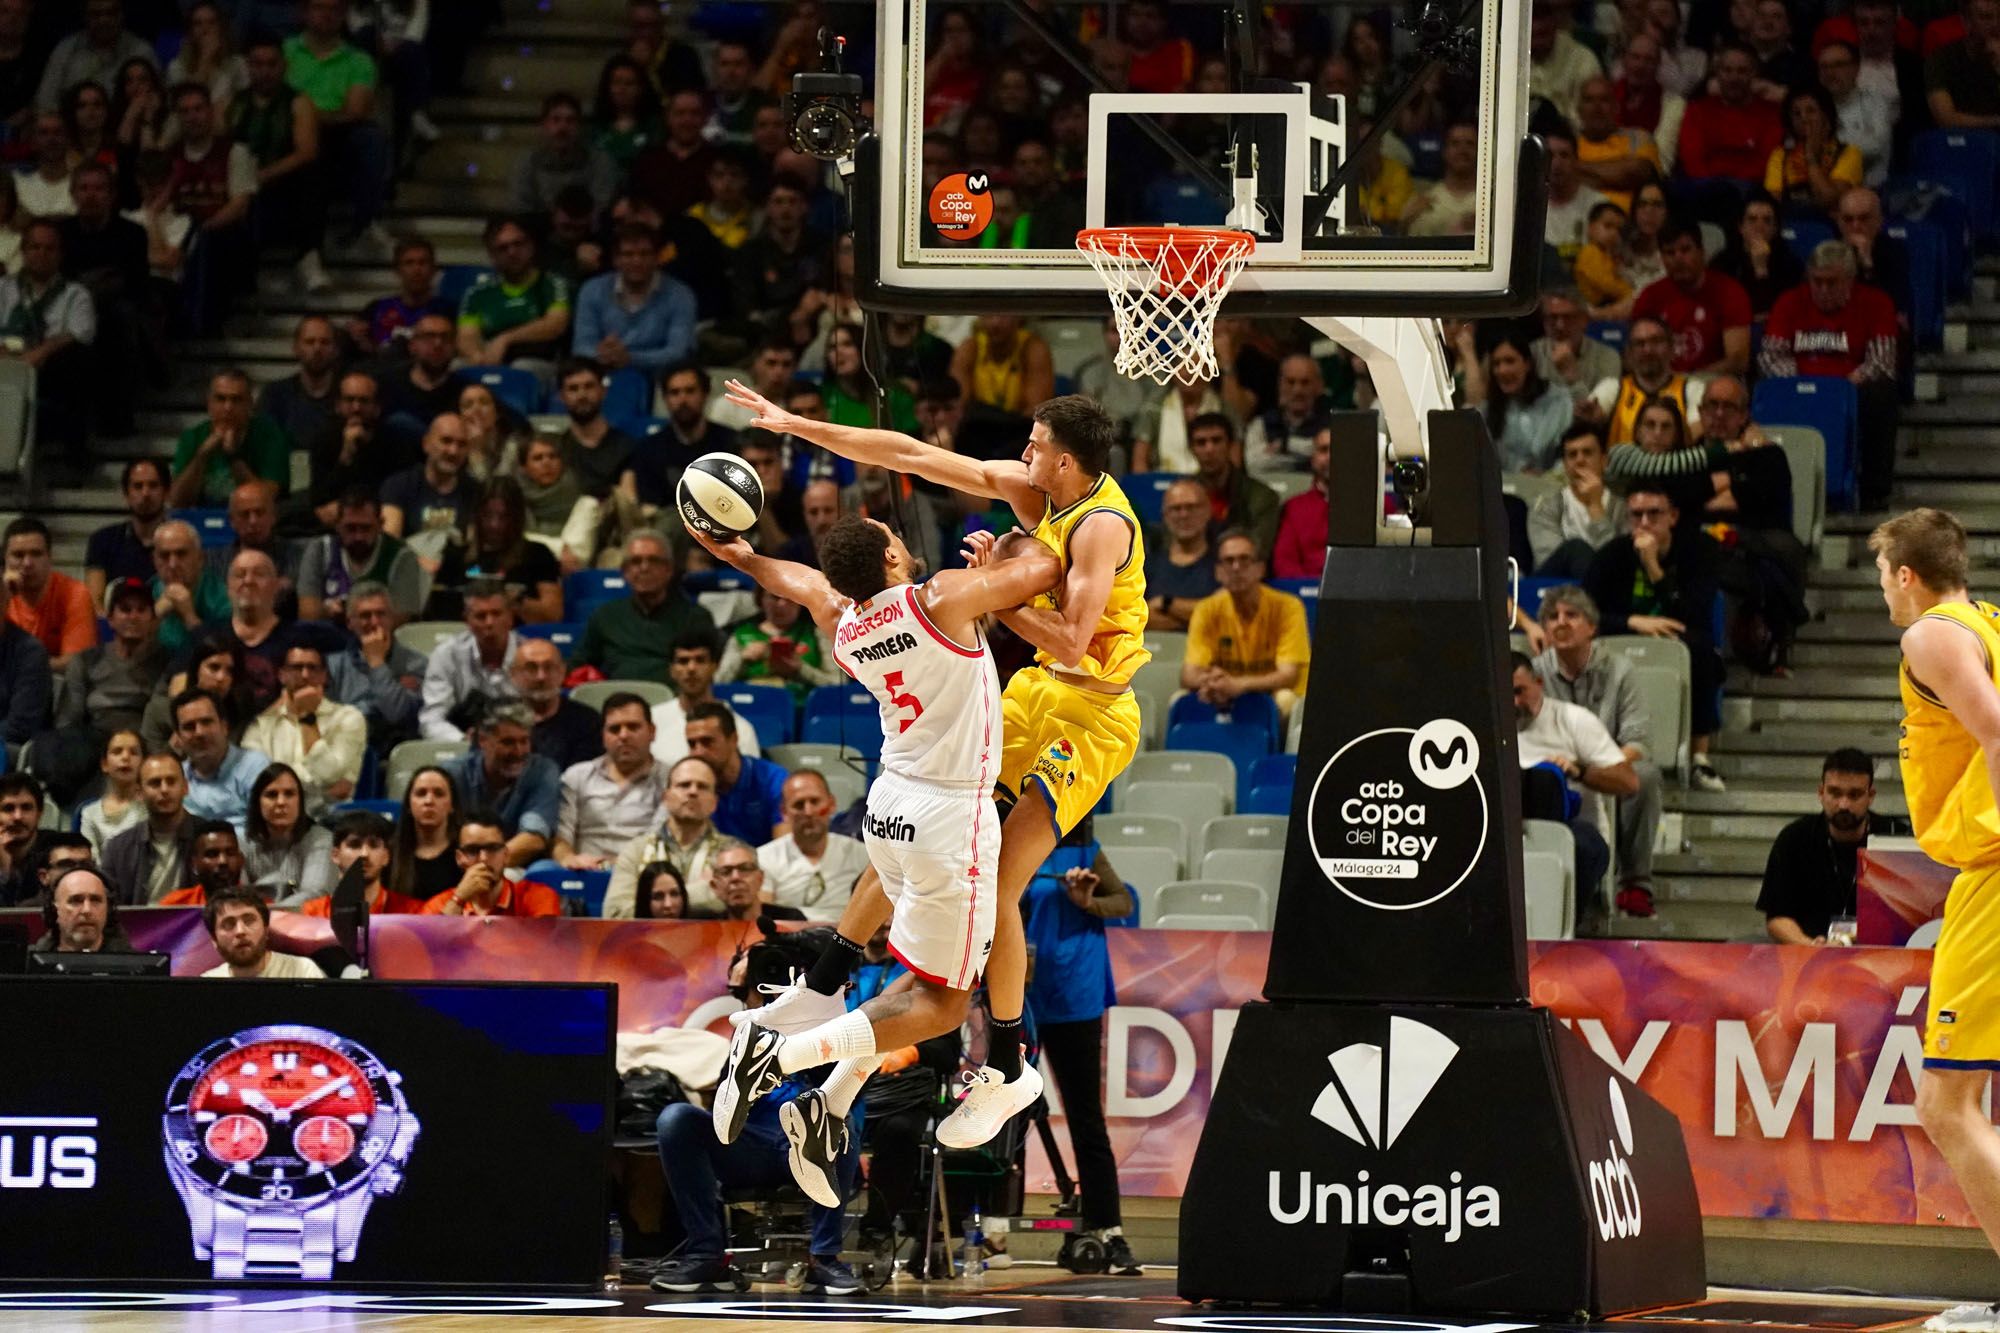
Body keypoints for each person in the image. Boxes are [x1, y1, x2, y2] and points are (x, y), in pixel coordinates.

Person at [720, 382, 1144, 1151]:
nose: (1023, 452)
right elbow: (912, 453)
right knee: (934, 862)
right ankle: (833, 1058)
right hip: (1030, 694)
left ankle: (1008, 1067)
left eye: (1036, 443)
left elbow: (1076, 641)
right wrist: (798, 424)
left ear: (1068, 460)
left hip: (1093, 708)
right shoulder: (1030, 496)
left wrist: (994, 598)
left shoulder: (1101, 527)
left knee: (1003, 881)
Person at [689, 506, 1062, 1184]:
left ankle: (817, 1039)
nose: (899, 537)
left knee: (915, 972)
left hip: (891, 806)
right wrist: (998, 556)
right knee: (943, 1003)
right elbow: (1046, 568)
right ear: (891, 561)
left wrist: (740, 556)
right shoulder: (943, 597)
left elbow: (797, 579)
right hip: (951, 814)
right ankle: (781, 1053)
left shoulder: (843, 620)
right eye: (893, 538)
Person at [1867, 510, 2000, 1327]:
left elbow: (1993, 728)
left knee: (1945, 1103)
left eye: (1883, 571)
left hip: (1994, 868)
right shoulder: (1988, 620)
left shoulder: (1930, 636)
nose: (1881, 587)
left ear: (1905, 574)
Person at [1021, 841, 1140, 1271]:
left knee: (1085, 1118)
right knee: (1003, 1111)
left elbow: (1123, 901)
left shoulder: (1086, 850)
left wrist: (1087, 902)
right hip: (1021, 993)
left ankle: (1109, 1229)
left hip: (1076, 992)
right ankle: (990, 1231)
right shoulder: (1012, 842)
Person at [1584, 484, 1727, 790]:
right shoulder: (1611, 555)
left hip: (1679, 636)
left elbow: (1695, 614)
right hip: (1624, 633)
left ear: (1673, 516)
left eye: (1654, 514)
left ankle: (1700, 758)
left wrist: (1653, 567)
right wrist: (1633, 621)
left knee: (1700, 649)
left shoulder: (1699, 551)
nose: (1645, 522)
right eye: (1637, 515)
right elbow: (1585, 614)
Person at [1535, 585, 1666, 917]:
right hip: (1552, 769)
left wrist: (1600, 770)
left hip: (1608, 765)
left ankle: (1636, 883)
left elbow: (1637, 741)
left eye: (1571, 615)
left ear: (1592, 627)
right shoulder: (1534, 674)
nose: (1560, 623)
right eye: (1552, 617)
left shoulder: (1620, 671)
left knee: (1646, 776)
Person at [1760, 240, 1901, 511]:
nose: (1823, 290)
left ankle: (1874, 490)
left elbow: (1882, 363)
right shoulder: (1790, 301)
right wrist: (1802, 385)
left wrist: (1839, 389)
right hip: (1797, 386)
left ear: (1850, 279)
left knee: (1883, 393)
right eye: (1817, 281)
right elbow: (1771, 356)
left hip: (1851, 389)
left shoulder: (1876, 303)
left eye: (1832, 283)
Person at [1510, 651, 1638, 919]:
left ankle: (1564, 929)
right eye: (1505, 694)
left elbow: (1629, 782)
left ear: (1539, 684)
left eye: (1520, 691)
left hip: (1570, 828)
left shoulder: (1573, 720)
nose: (1514, 702)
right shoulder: (1485, 728)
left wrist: (1578, 771)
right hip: (1507, 830)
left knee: (1584, 849)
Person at [284, 0, 389, 254]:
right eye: (319, 7)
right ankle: (308, 253)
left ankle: (364, 222)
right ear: (304, 12)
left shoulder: (359, 60)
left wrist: (310, 115)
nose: (327, 15)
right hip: (289, 134)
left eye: (335, 9)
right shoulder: (283, 52)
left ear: (343, 15)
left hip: (340, 135)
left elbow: (356, 111)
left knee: (371, 138)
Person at [1756, 748, 1890, 944]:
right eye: (1835, 793)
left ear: (1870, 796)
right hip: (1809, 954)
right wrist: (1809, 946)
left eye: (1854, 795)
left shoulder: (1894, 837)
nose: (1843, 804)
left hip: (1883, 958)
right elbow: (1777, 917)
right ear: (1821, 792)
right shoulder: (1794, 839)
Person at [230, 32, 328, 294]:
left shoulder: (298, 102)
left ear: (283, 66)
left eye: (271, 64)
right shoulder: (234, 102)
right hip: (239, 185)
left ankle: (308, 256)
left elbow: (306, 152)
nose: (264, 71)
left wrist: (261, 176)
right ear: (248, 66)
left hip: (281, 185)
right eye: (258, 64)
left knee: (312, 174)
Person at [1182, 531, 1311, 721]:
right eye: (1229, 561)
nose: (1236, 568)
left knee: (1286, 700)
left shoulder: (1289, 607)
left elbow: (1288, 676)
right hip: (1225, 691)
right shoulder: (1206, 610)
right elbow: (1188, 676)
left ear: (1260, 568)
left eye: (1244, 560)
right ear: (1218, 572)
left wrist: (1239, 685)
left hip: (1273, 694)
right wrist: (1214, 682)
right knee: (1179, 699)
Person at [0, 220, 95, 451]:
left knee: (76, 360)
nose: (42, 254)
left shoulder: (75, 294)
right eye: (35, 247)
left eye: (49, 248)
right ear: (23, 251)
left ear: (60, 254)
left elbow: (80, 333)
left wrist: (38, 354)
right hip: (4, 364)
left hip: (49, 373)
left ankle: (74, 458)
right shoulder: (3, 288)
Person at [575, 532, 718, 684]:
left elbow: (707, 672)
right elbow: (579, 665)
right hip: (618, 701)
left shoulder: (695, 617)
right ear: (625, 571)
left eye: (654, 561)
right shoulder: (605, 616)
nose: (644, 568)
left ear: (669, 570)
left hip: (674, 701)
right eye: (636, 561)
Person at [240, 641, 365, 815]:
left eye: (313, 668)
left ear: (324, 676)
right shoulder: (262, 725)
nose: (305, 675)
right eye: (297, 668)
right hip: (273, 817)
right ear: (282, 675)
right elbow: (254, 782)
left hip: (330, 819)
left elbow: (328, 775)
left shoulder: (348, 718)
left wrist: (307, 717)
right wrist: (320, 792)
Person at [552, 692, 670, 869]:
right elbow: (561, 836)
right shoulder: (577, 776)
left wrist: (615, 866)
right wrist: (569, 859)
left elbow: (658, 841)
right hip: (583, 873)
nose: (623, 735)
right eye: (614, 729)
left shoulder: (672, 779)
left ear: (652, 732)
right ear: (603, 737)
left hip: (641, 874)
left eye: (633, 727)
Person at [427, 477, 564, 623]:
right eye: (488, 515)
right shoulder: (455, 555)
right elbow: (437, 610)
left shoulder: (538, 554)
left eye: (504, 516)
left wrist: (515, 601)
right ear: (477, 514)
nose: (495, 524)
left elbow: (553, 614)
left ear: (517, 518)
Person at [443, 700, 559, 867]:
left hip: (514, 869)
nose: (519, 752)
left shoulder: (543, 772)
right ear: (483, 740)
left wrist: (481, 869)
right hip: (455, 866)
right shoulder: (453, 775)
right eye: (508, 742)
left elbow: (534, 838)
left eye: (524, 741)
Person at [571, 221, 696, 375]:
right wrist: (604, 355)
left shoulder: (680, 295)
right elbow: (581, 346)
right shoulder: (592, 290)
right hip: (603, 375)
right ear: (615, 259)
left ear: (657, 257)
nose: (637, 261)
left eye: (644, 254)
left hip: (661, 379)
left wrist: (630, 358)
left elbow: (678, 352)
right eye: (628, 254)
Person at [606, 754, 727, 913]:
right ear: (665, 797)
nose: (693, 792)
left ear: (714, 802)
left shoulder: (732, 853)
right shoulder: (635, 852)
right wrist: (697, 893)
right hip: (647, 938)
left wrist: (652, 899)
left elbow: (736, 908)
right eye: (684, 785)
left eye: (702, 786)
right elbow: (615, 913)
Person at [1630, 220, 1752, 377]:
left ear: (1702, 252)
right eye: (1670, 253)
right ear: (1662, 258)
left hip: (1712, 384)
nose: (1678, 259)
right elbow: (1633, 354)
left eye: (1685, 250)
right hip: (1660, 386)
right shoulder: (1650, 296)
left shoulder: (1730, 291)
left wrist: (1688, 383)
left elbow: (1737, 361)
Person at [1455, 328, 1576, 474]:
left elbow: (1571, 448)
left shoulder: (1559, 401)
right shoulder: (1488, 411)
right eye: (1496, 364)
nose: (1502, 370)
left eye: (1509, 361)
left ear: (1527, 364)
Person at [457, 215, 572, 367]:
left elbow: (555, 324)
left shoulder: (552, 284)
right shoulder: (477, 293)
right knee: (457, 367)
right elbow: (466, 336)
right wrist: (477, 357)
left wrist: (505, 339)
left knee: (522, 366)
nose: (512, 252)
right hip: (490, 360)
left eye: (518, 244)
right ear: (492, 255)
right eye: (503, 248)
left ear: (531, 246)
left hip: (540, 363)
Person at [326, 579, 426, 750]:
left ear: (392, 618)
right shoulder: (332, 666)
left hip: (397, 752)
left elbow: (397, 714)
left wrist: (376, 662)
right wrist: (392, 689)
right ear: (350, 622)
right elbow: (330, 724)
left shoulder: (417, 664)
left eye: (381, 614)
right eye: (365, 616)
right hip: (348, 752)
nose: (374, 622)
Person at [297, 489, 425, 623]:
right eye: (350, 528)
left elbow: (402, 618)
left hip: (381, 638)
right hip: (327, 637)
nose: (358, 536)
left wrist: (349, 613)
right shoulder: (320, 550)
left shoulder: (401, 555)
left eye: (366, 528)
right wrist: (328, 611)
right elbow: (307, 614)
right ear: (337, 525)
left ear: (381, 525)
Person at [756, 771, 868, 921]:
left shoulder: (861, 854)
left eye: (815, 802)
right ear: (784, 812)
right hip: (788, 939)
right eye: (798, 805)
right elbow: (762, 919)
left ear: (832, 804)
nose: (808, 812)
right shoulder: (764, 858)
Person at [169, 368, 289, 507]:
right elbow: (177, 501)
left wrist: (233, 457)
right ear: (209, 403)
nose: (228, 407)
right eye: (220, 399)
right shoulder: (192, 437)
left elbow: (265, 500)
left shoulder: (271, 437)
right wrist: (201, 457)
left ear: (250, 403)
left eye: (236, 400)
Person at [420, 578, 521, 741]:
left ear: (510, 616)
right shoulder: (446, 655)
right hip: (466, 743)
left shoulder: (531, 654)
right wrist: (462, 740)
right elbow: (431, 719)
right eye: (481, 616)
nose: (489, 623)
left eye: (496, 614)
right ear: (467, 619)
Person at [647, 628, 762, 766]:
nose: (691, 668)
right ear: (672, 670)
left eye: (700, 660)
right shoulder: (650, 721)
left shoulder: (740, 728)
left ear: (715, 666)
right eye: (683, 661)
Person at [423, 809, 563, 916]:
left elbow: (546, 948)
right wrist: (459, 899)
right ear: (460, 858)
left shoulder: (537, 897)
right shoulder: (439, 905)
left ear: (506, 855)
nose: (483, 858)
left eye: (492, 849)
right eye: (473, 850)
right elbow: (429, 948)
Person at [101, 751, 197, 904]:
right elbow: (109, 908)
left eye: (171, 781)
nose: (164, 789)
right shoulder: (117, 849)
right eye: (155, 783)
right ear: (139, 793)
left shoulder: (208, 838)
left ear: (185, 787)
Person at [685, 701, 788, 844]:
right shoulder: (690, 787)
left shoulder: (773, 780)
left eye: (707, 742)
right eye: (692, 744)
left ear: (733, 739)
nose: (698, 752)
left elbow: (783, 849)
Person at [1530, 425, 1625, 577]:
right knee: (1576, 549)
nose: (1579, 461)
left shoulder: (1623, 508)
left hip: (1606, 589)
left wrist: (1595, 507)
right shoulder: (1545, 505)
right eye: (1572, 455)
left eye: (1587, 453)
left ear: (1604, 460)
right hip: (1556, 589)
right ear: (1565, 464)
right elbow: (1550, 558)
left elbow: (1618, 564)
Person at [1591, 317, 1701, 446]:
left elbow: (1697, 433)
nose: (1648, 350)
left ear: (1672, 348)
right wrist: (1592, 421)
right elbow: (1591, 418)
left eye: (1656, 341)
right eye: (1639, 343)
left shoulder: (1692, 389)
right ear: (1629, 353)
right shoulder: (1612, 388)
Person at [175, 687, 271, 830]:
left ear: (224, 727)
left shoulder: (254, 766)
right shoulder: (175, 778)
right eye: (189, 727)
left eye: (206, 722)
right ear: (178, 738)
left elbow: (268, 830)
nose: (199, 733)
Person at [511, 91, 617, 220]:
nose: (563, 127)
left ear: (579, 126)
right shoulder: (528, 162)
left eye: (570, 120)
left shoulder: (600, 161)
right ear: (544, 125)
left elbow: (600, 207)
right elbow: (522, 209)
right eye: (556, 120)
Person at [4, 517, 94, 667]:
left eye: (36, 554)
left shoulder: (75, 593)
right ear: (5, 559)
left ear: (50, 557)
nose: (27, 563)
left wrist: (19, 667)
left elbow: (77, 663)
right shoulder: (2, 594)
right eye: (18, 555)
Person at [239, 761, 335, 904]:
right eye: (272, 795)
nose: (281, 802)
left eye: (289, 794)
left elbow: (316, 894)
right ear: (257, 803)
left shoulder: (321, 840)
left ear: (300, 801)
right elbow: (238, 896)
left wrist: (269, 914)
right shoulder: (243, 843)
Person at [300, 808, 425, 916]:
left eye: (374, 845)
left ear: (386, 856)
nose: (364, 854)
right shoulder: (313, 913)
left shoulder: (413, 912)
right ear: (335, 855)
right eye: (354, 845)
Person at [722, 587, 836, 703]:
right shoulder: (741, 635)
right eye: (774, 597)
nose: (781, 604)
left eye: (790, 598)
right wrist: (742, 658)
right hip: (750, 707)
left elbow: (836, 683)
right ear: (760, 599)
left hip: (803, 709)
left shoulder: (817, 634)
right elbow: (719, 681)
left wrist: (800, 669)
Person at [1764, 85, 1864, 216]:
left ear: (1826, 116)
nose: (1804, 118)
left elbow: (1829, 200)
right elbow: (1773, 205)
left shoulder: (1849, 153)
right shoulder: (1780, 156)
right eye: (1796, 113)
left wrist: (1811, 156)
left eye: (1811, 111)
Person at [381, 412, 477, 543]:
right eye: (446, 441)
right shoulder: (399, 485)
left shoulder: (474, 491)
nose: (453, 451)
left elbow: (474, 550)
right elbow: (389, 544)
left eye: (462, 444)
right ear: (426, 444)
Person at [513, 634, 601, 772]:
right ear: (513, 674)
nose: (541, 676)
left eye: (549, 667)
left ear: (562, 672)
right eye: (531, 668)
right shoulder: (496, 721)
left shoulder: (588, 721)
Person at [1711, 191, 1803, 321]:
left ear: (1775, 228)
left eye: (1767, 220)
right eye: (1752, 219)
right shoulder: (1722, 263)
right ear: (1740, 227)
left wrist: (1761, 270)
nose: (1759, 227)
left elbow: (1779, 313)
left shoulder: (1791, 266)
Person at [86, 457, 169, 602]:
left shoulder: (182, 542)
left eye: (153, 485)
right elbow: (95, 603)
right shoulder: (102, 540)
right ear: (126, 494)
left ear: (166, 492)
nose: (145, 493)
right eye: (138, 486)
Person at [257, 314, 340, 458]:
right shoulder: (275, 394)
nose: (317, 348)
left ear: (335, 349)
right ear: (296, 348)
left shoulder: (348, 396)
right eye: (309, 342)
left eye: (325, 342)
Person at [202, 885, 325, 977]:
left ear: (266, 930)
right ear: (214, 939)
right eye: (229, 924)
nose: (240, 931)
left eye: (249, 921)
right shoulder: (206, 984)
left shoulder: (303, 971)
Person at [1534, 289, 1623, 413]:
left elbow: (1596, 415)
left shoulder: (1607, 356)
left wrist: (1572, 377)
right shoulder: (1531, 354)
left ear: (1584, 320)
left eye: (1568, 317)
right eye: (1553, 318)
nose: (1560, 325)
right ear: (1544, 322)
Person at [1242, 354, 1328, 473]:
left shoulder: (1332, 423)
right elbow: (1254, 464)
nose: (1297, 390)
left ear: (1319, 386)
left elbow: (1331, 459)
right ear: (1280, 385)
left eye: (1305, 383)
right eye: (1290, 382)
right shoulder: (1261, 423)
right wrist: (1305, 458)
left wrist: (1284, 446)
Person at [391, 764, 463, 903]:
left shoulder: (466, 854)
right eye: (421, 793)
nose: (429, 801)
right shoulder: (389, 855)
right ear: (408, 805)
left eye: (439, 794)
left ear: (452, 805)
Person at [1926, 0, 2000, 131]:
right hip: (1960, 143)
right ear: (1967, 21)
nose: (1996, 24)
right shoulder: (1942, 59)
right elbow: (1946, 119)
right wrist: (1995, 121)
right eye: (1986, 17)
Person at [79, 728, 146, 857]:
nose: (126, 757)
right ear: (104, 764)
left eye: (134, 752)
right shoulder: (90, 813)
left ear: (144, 763)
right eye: (117, 752)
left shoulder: (151, 808)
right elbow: (91, 861)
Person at [34, 866, 130, 954]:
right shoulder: (30, 966)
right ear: (54, 909)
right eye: (76, 901)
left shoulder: (132, 967)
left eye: (95, 900)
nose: (87, 910)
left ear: (108, 909)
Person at [160, 819, 250, 905]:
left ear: (241, 860)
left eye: (230, 853)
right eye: (212, 854)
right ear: (193, 864)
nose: (223, 861)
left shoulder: (260, 905)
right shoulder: (175, 906)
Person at [0, 772, 46, 904]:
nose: (18, 816)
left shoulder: (54, 851)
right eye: (8, 808)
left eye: (26, 808)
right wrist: (3, 871)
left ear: (39, 813)